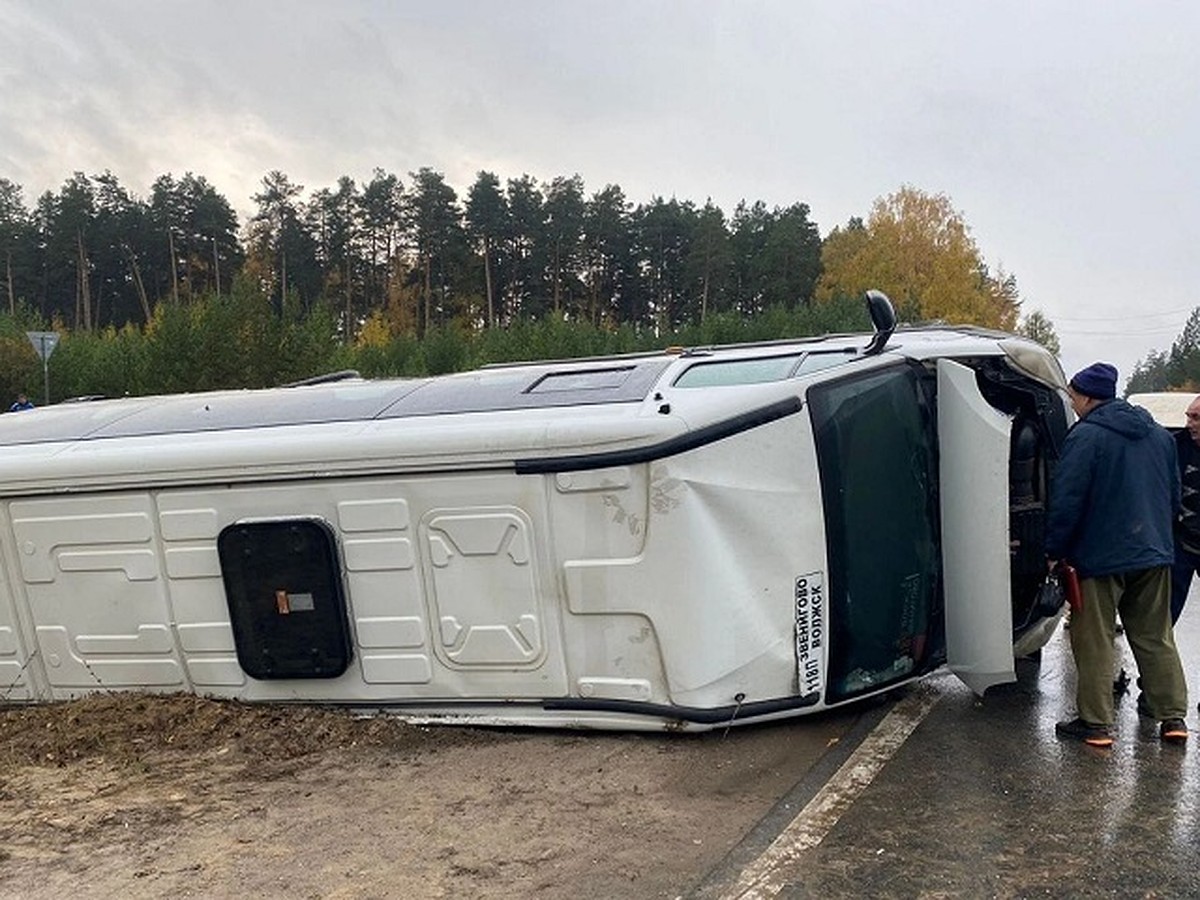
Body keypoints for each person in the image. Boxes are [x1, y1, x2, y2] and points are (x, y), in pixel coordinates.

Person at [1046, 362, 1189, 747]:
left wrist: (1054, 550)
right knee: (1155, 636)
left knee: (1093, 638)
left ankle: (1096, 725)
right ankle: (1173, 717)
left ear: (1089, 397)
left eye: (1074, 397)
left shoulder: (1086, 437)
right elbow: (1173, 495)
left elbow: (1067, 498)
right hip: (1154, 553)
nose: (1073, 404)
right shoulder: (1160, 436)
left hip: (1100, 557)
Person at [1169, 394, 1200, 624]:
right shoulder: (1175, 446)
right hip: (1181, 544)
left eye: (1196, 418)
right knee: (1165, 616)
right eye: (1188, 416)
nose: (1189, 423)